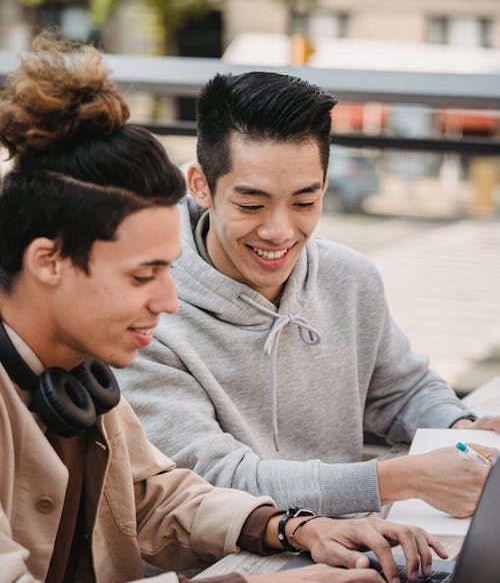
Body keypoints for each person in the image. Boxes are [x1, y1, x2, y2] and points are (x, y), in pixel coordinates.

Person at [0, 36, 451, 583]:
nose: (169, 298)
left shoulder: (77, 371)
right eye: (145, 274)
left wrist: (293, 529)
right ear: (48, 261)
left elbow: (156, 496)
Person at [117, 70, 499, 519]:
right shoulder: (147, 314)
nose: (280, 232)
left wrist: (461, 430)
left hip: (354, 545)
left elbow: (402, 390)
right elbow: (213, 481)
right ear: (201, 185)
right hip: (222, 569)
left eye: (304, 202)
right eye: (251, 204)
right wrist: (404, 478)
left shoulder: (350, 277)